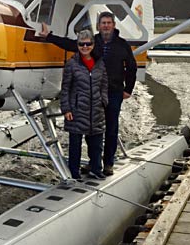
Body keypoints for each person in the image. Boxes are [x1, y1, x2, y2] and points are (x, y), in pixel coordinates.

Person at [40, 12, 137, 176]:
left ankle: (108, 164)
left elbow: (132, 67)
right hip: (94, 93)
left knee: (111, 129)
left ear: (114, 25)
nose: (106, 26)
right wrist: (49, 36)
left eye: (108, 23)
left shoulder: (122, 45)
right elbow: (71, 44)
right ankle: (94, 163)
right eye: (103, 23)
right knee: (92, 129)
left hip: (113, 92)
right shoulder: (93, 41)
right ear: (98, 26)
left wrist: (128, 89)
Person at [60, 29, 108, 180]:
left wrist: (103, 100)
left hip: (96, 109)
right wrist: (66, 108)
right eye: (81, 44)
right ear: (78, 45)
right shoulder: (71, 64)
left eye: (88, 44)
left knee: (97, 143)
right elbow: (65, 88)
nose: (85, 47)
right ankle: (74, 172)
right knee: (75, 144)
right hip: (77, 109)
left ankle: (96, 169)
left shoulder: (100, 63)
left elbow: (104, 83)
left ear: (93, 45)